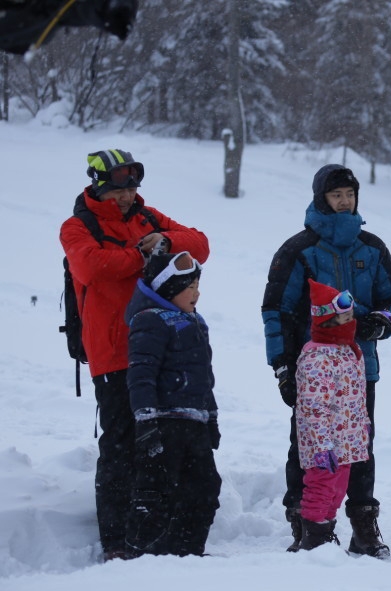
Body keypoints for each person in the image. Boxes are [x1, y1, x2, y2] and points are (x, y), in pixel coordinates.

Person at [60, 148, 210, 561]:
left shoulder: (149, 217)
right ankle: (115, 542)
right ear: (98, 186)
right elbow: (91, 268)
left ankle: (156, 535)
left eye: (131, 189)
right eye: (118, 191)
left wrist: (167, 240)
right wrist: (145, 254)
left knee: (161, 443)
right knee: (122, 444)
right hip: (113, 350)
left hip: (163, 348)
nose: (127, 197)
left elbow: (199, 244)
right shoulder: (76, 227)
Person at [262, 164, 391, 557]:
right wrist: (282, 367)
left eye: (349, 194)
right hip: (312, 371)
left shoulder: (372, 247)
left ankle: (363, 524)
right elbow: (276, 311)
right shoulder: (298, 250)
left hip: (360, 369)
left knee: (360, 445)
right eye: (336, 194)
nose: (344, 201)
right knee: (306, 447)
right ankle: (304, 523)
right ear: (320, 198)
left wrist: (381, 323)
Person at [125, 251, 220, 557]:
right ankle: (146, 551)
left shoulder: (196, 321)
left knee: (205, 487)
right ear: (168, 288)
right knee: (158, 489)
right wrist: (146, 419)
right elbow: (141, 373)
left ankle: (189, 550)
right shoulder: (149, 320)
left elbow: (204, 375)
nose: (197, 292)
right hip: (164, 421)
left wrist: (212, 416)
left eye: (197, 285)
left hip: (195, 421)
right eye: (189, 286)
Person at [293, 279, 371, 550]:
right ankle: (313, 540)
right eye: (345, 319)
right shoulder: (318, 358)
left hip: (347, 441)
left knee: (336, 493)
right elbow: (314, 407)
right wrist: (321, 445)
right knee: (320, 490)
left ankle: (325, 535)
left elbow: (357, 397)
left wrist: (364, 425)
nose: (352, 324)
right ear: (329, 322)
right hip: (324, 445)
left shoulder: (350, 352)